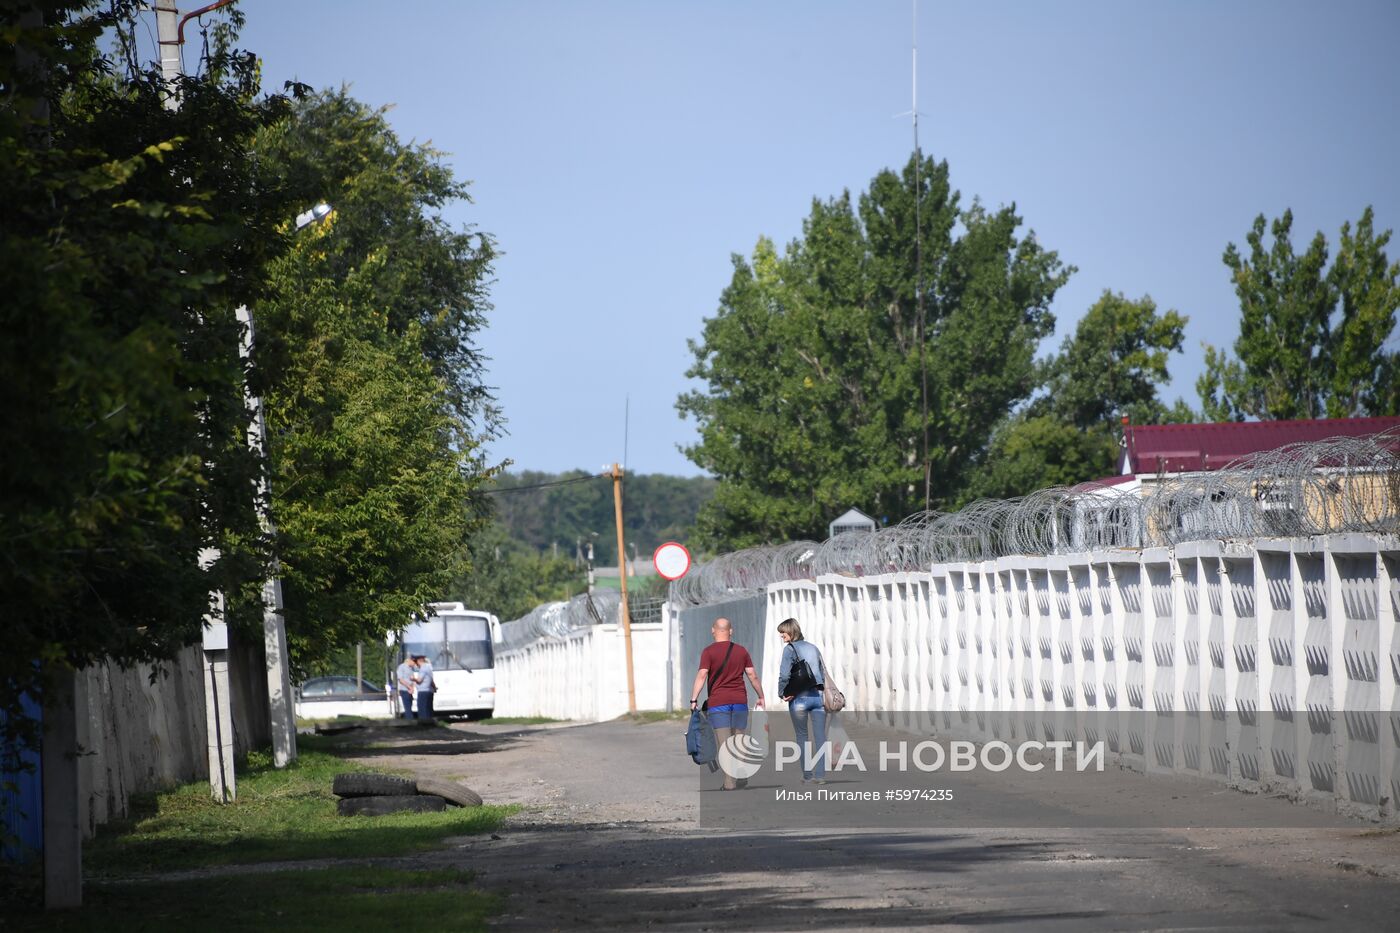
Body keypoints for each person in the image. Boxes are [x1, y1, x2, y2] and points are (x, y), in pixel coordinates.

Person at [689, 617, 764, 790]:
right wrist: (760, 695)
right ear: (731, 631)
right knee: (738, 739)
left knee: (724, 743)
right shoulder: (741, 651)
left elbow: (702, 675)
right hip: (739, 702)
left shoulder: (708, 652)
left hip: (718, 703)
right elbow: (752, 675)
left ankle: (730, 782)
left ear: (713, 630)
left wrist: (694, 699)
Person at [777, 618, 828, 784]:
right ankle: (820, 776)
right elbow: (821, 672)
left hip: (798, 699)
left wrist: (782, 692)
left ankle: (808, 775)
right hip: (817, 697)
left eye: (783, 632)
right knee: (820, 736)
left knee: (802, 736)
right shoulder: (813, 648)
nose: (781, 636)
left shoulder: (789, 649)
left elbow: (785, 675)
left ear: (791, 632)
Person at [412, 654, 435, 721]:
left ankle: (424, 723)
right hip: (429, 690)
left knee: (422, 708)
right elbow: (431, 680)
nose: (416, 665)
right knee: (428, 708)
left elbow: (419, 680)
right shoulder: (429, 667)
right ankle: (430, 722)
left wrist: (413, 679)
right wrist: (434, 687)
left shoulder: (423, 668)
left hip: (423, 691)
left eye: (416, 662)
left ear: (418, 661)